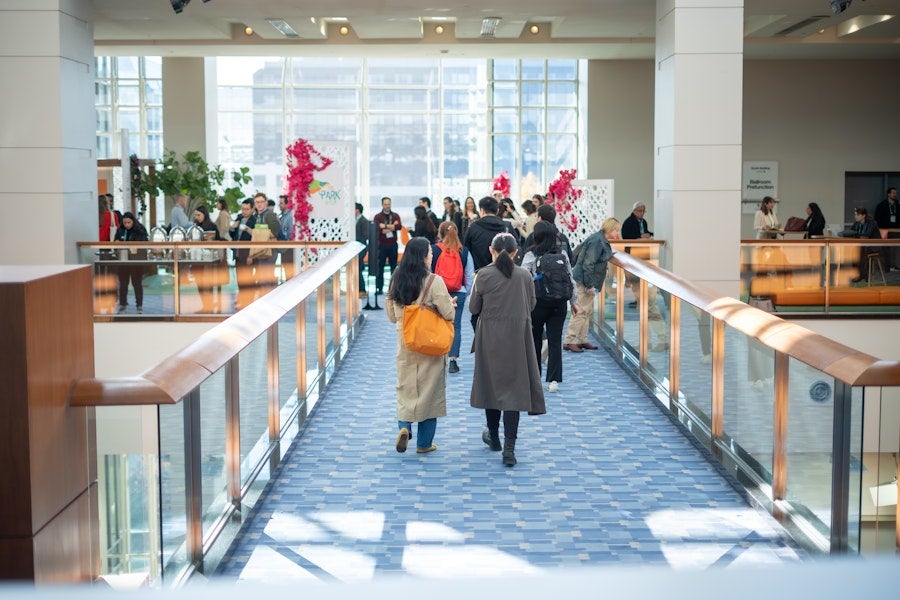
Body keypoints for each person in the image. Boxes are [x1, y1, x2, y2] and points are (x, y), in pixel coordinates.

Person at [469, 232, 546, 466]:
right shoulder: (524, 275)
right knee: (513, 390)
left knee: (491, 386)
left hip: (490, 336)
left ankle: (494, 437)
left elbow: (474, 307)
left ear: (491, 250)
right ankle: (510, 449)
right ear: (516, 252)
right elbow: (531, 304)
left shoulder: (483, 274)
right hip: (517, 337)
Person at [385, 237, 456, 455]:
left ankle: (405, 428)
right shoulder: (434, 281)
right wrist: (449, 304)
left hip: (405, 341)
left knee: (405, 388)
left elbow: (390, 315)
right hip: (430, 342)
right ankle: (424, 444)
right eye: (430, 253)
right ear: (423, 256)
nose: (432, 256)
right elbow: (449, 314)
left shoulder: (397, 277)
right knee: (430, 392)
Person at [521, 221, 577, 393]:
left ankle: (534, 378)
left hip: (537, 303)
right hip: (559, 304)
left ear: (536, 236)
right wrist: (573, 302)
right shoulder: (562, 254)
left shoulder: (530, 255)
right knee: (554, 341)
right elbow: (570, 279)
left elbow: (524, 279)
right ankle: (553, 380)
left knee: (535, 340)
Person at [563, 217, 618, 352]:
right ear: (610, 229)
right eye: (616, 230)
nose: (618, 233)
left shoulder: (600, 239)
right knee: (581, 311)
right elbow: (588, 264)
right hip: (585, 281)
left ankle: (582, 339)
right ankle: (569, 341)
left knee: (587, 311)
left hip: (587, 280)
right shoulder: (598, 241)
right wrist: (589, 285)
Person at [431, 221, 475, 374]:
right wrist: (465, 291)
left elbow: (428, 273)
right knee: (455, 326)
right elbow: (470, 275)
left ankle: (437, 358)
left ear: (440, 234)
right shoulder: (464, 251)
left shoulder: (434, 250)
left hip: (437, 292)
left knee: (437, 324)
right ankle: (453, 360)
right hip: (459, 292)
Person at [113, 211, 148, 314]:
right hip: (123, 259)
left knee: (137, 283)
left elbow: (144, 241)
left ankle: (139, 305)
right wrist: (117, 242)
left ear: (133, 221)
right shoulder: (120, 230)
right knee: (123, 283)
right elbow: (116, 241)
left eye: (129, 222)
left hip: (136, 260)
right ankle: (123, 304)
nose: (127, 225)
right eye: (125, 222)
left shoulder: (140, 229)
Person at [463, 196, 509, 271]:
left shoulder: (473, 228)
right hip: (503, 273)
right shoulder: (506, 227)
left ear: (482, 211)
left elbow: (466, 251)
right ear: (497, 211)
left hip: (478, 273)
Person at [192, 204, 223, 313]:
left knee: (208, 284)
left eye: (199, 215)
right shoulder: (195, 226)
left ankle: (209, 307)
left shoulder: (211, 226)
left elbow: (217, 241)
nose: (197, 217)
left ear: (204, 214)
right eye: (196, 215)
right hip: (197, 259)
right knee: (199, 284)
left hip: (209, 259)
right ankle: (205, 305)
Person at [840, 206, 881, 283]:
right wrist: (844, 233)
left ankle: (862, 274)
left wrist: (856, 234)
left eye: (858, 215)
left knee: (860, 250)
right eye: (855, 215)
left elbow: (867, 234)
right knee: (855, 250)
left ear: (863, 215)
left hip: (874, 246)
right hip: (864, 245)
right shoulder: (857, 223)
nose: (856, 216)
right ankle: (857, 273)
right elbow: (851, 231)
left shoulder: (871, 222)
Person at [251, 192, 281, 296]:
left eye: (261, 202)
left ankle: (269, 301)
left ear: (266, 202)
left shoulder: (269, 215)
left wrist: (260, 232)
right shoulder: (259, 215)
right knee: (264, 278)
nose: (259, 204)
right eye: (257, 202)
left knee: (266, 278)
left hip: (270, 251)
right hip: (262, 250)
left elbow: (276, 232)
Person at [229, 198, 257, 309]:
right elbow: (233, 235)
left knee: (247, 279)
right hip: (237, 253)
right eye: (243, 209)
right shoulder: (239, 218)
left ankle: (248, 302)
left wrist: (251, 255)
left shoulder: (254, 220)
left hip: (248, 254)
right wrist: (232, 228)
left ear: (252, 209)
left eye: (247, 209)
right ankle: (242, 300)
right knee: (240, 279)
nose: (244, 211)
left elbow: (255, 238)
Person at [373, 197, 402, 295]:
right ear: (382, 205)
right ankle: (379, 288)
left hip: (393, 245)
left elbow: (398, 227)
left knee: (393, 267)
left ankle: (394, 289)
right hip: (381, 245)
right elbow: (377, 228)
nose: (387, 206)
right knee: (380, 267)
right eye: (385, 204)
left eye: (389, 204)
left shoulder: (395, 215)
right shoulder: (377, 217)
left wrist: (384, 226)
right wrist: (391, 227)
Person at [873, 187, 898, 271]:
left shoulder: (897, 204)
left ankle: (893, 265)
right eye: (893, 193)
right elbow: (877, 218)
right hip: (884, 230)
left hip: (896, 230)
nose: (895, 194)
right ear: (888, 194)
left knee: (894, 249)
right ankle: (885, 267)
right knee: (885, 248)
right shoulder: (882, 205)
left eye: (895, 193)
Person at [278, 194, 295, 280]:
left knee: (290, 276)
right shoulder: (283, 216)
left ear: (287, 204)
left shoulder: (290, 216)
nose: (279, 205)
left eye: (281, 203)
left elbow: (289, 234)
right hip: (285, 249)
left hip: (289, 249)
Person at [355, 202, 370, 298]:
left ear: (357, 210)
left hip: (360, 248)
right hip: (355, 249)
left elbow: (366, 235)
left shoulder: (364, 221)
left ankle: (362, 290)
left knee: (358, 268)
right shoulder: (355, 220)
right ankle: (359, 289)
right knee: (357, 268)